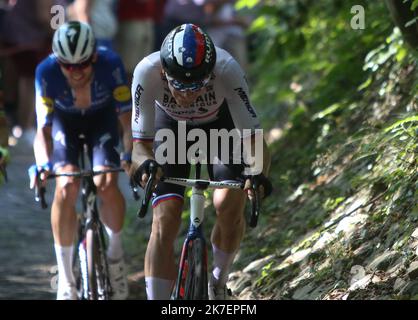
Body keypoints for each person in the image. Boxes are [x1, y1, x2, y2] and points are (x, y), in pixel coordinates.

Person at [129, 23, 272, 300]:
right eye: (179, 85)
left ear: (210, 72)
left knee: (229, 205)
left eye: (198, 85)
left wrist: (257, 173)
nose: (187, 94)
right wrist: (146, 164)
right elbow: (139, 147)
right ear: (163, 72)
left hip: (220, 125)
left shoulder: (227, 69)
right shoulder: (145, 72)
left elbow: (253, 138)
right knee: (165, 218)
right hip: (170, 127)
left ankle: (218, 284)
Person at [31, 21, 132, 300]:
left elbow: (127, 121)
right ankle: (65, 277)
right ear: (58, 61)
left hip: (103, 121)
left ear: (94, 57)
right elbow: (43, 130)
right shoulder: (46, 72)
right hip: (66, 124)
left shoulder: (111, 64)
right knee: (65, 186)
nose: (75, 72)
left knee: (107, 181)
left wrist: (128, 155)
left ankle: (115, 256)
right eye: (68, 66)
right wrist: (42, 165)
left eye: (82, 65)